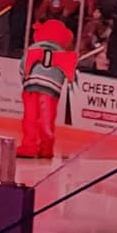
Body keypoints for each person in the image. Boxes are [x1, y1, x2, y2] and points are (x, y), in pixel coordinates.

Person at [17, 19, 77, 159]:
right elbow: (69, 75)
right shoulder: (63, 53)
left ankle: (29, 146)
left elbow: (23, 66)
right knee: (47, 119)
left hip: (31, 86)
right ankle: (46, 148)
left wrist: (25, 81)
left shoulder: (33, 48)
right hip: (51, 90)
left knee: (30, 118)